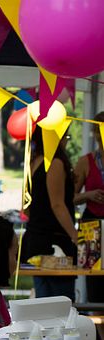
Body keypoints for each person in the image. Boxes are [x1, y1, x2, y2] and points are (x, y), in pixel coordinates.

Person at [21, 127, 76, 300]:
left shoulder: (33, 161)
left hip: (35, 238)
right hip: (54, 243)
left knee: (43, 300)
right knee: (61, 302)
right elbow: (58, 205)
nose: (67, 141)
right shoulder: (55, 162)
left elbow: (25, 206)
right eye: (66, 136)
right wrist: (75, 236)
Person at [74, 111, 104, 303]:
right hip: (90, 223)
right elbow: (70, 197)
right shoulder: (86, 161)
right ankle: (96, 329)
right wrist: (89, 195)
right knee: (93, 280)